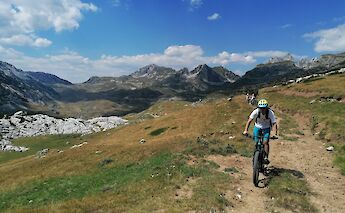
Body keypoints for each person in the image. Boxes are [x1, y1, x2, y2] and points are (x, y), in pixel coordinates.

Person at [243, 99, 277, 164]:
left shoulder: (270, 113)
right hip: (257, 127)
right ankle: (256, 155)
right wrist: (246, 130)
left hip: (266, 128)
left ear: (266, 108)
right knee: (256, 141)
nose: (262, 110)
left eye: (264, 108)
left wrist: (274, 133)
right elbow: (249, 120)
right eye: (261, 108)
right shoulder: (256, 111)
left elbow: (274, 123)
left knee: (265, 142)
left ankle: (265, 157)